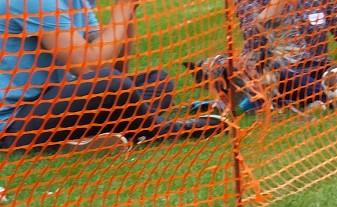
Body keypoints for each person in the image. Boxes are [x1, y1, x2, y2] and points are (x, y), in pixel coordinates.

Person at [0, 0, 225, 151]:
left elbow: (118, 68)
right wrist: (122, 7)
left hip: (59, 100)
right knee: (109, 84)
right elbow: (90, 67)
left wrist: (129, 12)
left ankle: (98, 135)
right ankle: (159, 129)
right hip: (15, 123)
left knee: (159, 81)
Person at [236, 0, 337, 110]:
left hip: (319, 69)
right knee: (276, 72)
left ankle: (334, 94)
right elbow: (255, 36)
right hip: (275, 72)